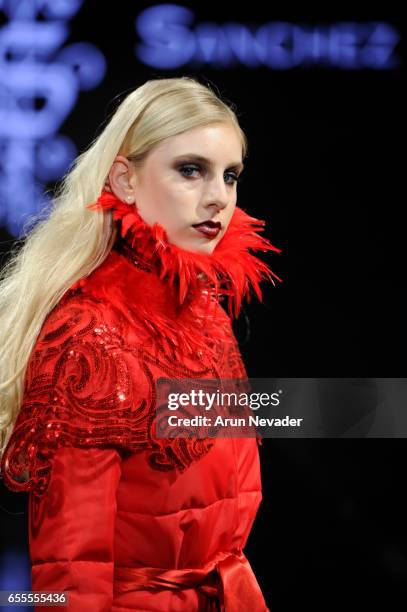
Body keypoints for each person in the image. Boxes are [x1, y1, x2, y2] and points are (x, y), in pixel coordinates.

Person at [0, 76, 282, 611]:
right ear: (125, 181)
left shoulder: (203, 311)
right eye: (190, 170)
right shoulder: (87, 336)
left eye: (230, 176)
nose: (218, 196)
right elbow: (69, 568)